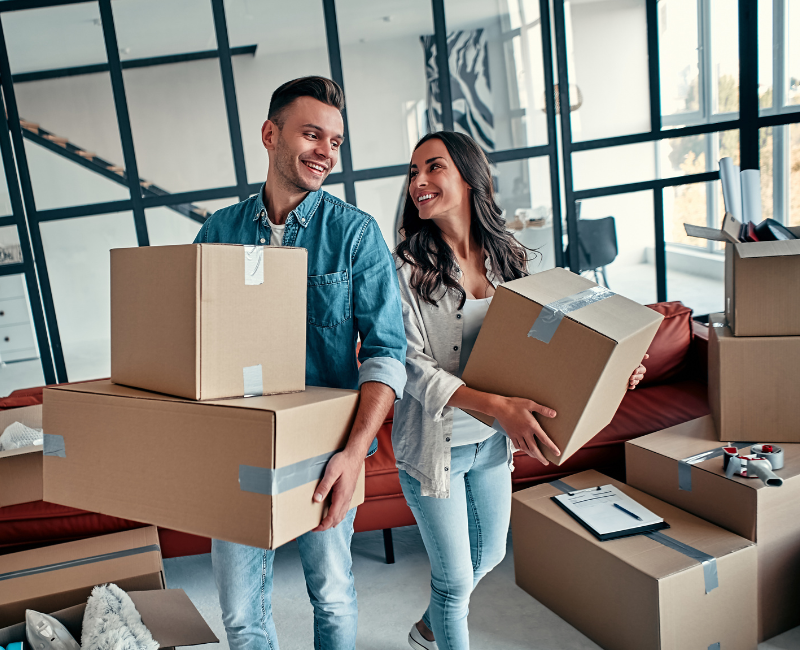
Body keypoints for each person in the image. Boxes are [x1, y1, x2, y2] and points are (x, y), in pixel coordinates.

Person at [392, 131, 647, 650]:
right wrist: (495, 407)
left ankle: (428, 629)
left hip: (490, 442)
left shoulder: (508, 260)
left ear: (468, 176)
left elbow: (549, 347)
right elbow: (409, 366)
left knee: (486, 556)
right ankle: (443, 629)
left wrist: (610, 367)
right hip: (433, 450)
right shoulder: (406, 270)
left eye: (433, 167)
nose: (418, 181)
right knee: (456, 580)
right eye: (413, 172)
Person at [193, 76, 407, 650]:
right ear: (270, 134)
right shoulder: (217, 232)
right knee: (240, 614)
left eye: (335, 141)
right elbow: (193, 345)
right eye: (312, 134)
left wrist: (355, 455)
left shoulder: (356, 236)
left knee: (333, 598)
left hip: (324, 453)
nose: (326, 152)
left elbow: (388, 354)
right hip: (237, 446)